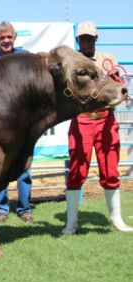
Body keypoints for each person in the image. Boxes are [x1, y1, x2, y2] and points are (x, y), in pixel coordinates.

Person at [63, 21, 133, 234]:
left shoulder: (109, 60)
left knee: (110, 168)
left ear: (95, 39)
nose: (86, 41)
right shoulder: (70, 62)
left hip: (105, 118)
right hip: (81, 118)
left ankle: (116, 219)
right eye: (82, 38)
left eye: (89, 38)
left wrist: (123, 91)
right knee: (76, 169)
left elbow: (120, 86)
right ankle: (71, 222)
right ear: (77, 40)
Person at [0, 21, 33, 223]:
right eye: (2, 38)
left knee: (24, 169)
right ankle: (1, 209)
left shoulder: (26, 59)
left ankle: (24, 208)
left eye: (9, 37)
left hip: (23, 124)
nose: (6, 41)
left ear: (15, 37)